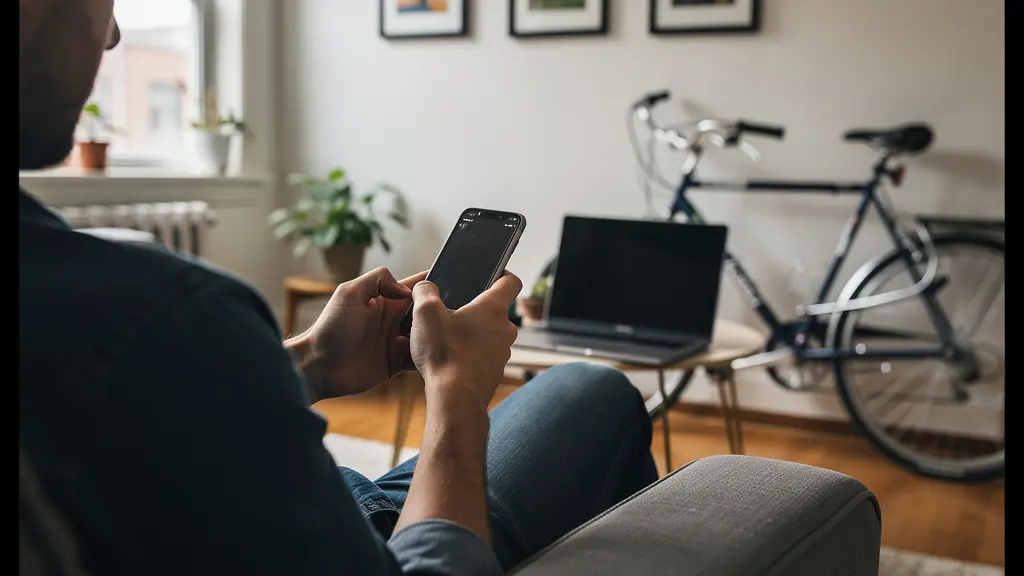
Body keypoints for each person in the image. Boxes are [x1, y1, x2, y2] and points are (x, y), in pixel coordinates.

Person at [18, 1, 658, 574]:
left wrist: (310, 362)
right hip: (369, 546)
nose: (113, 33)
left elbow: (157, 433)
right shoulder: (164, 314)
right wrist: (457, 394)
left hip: (289, 512)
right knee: (593, 389)